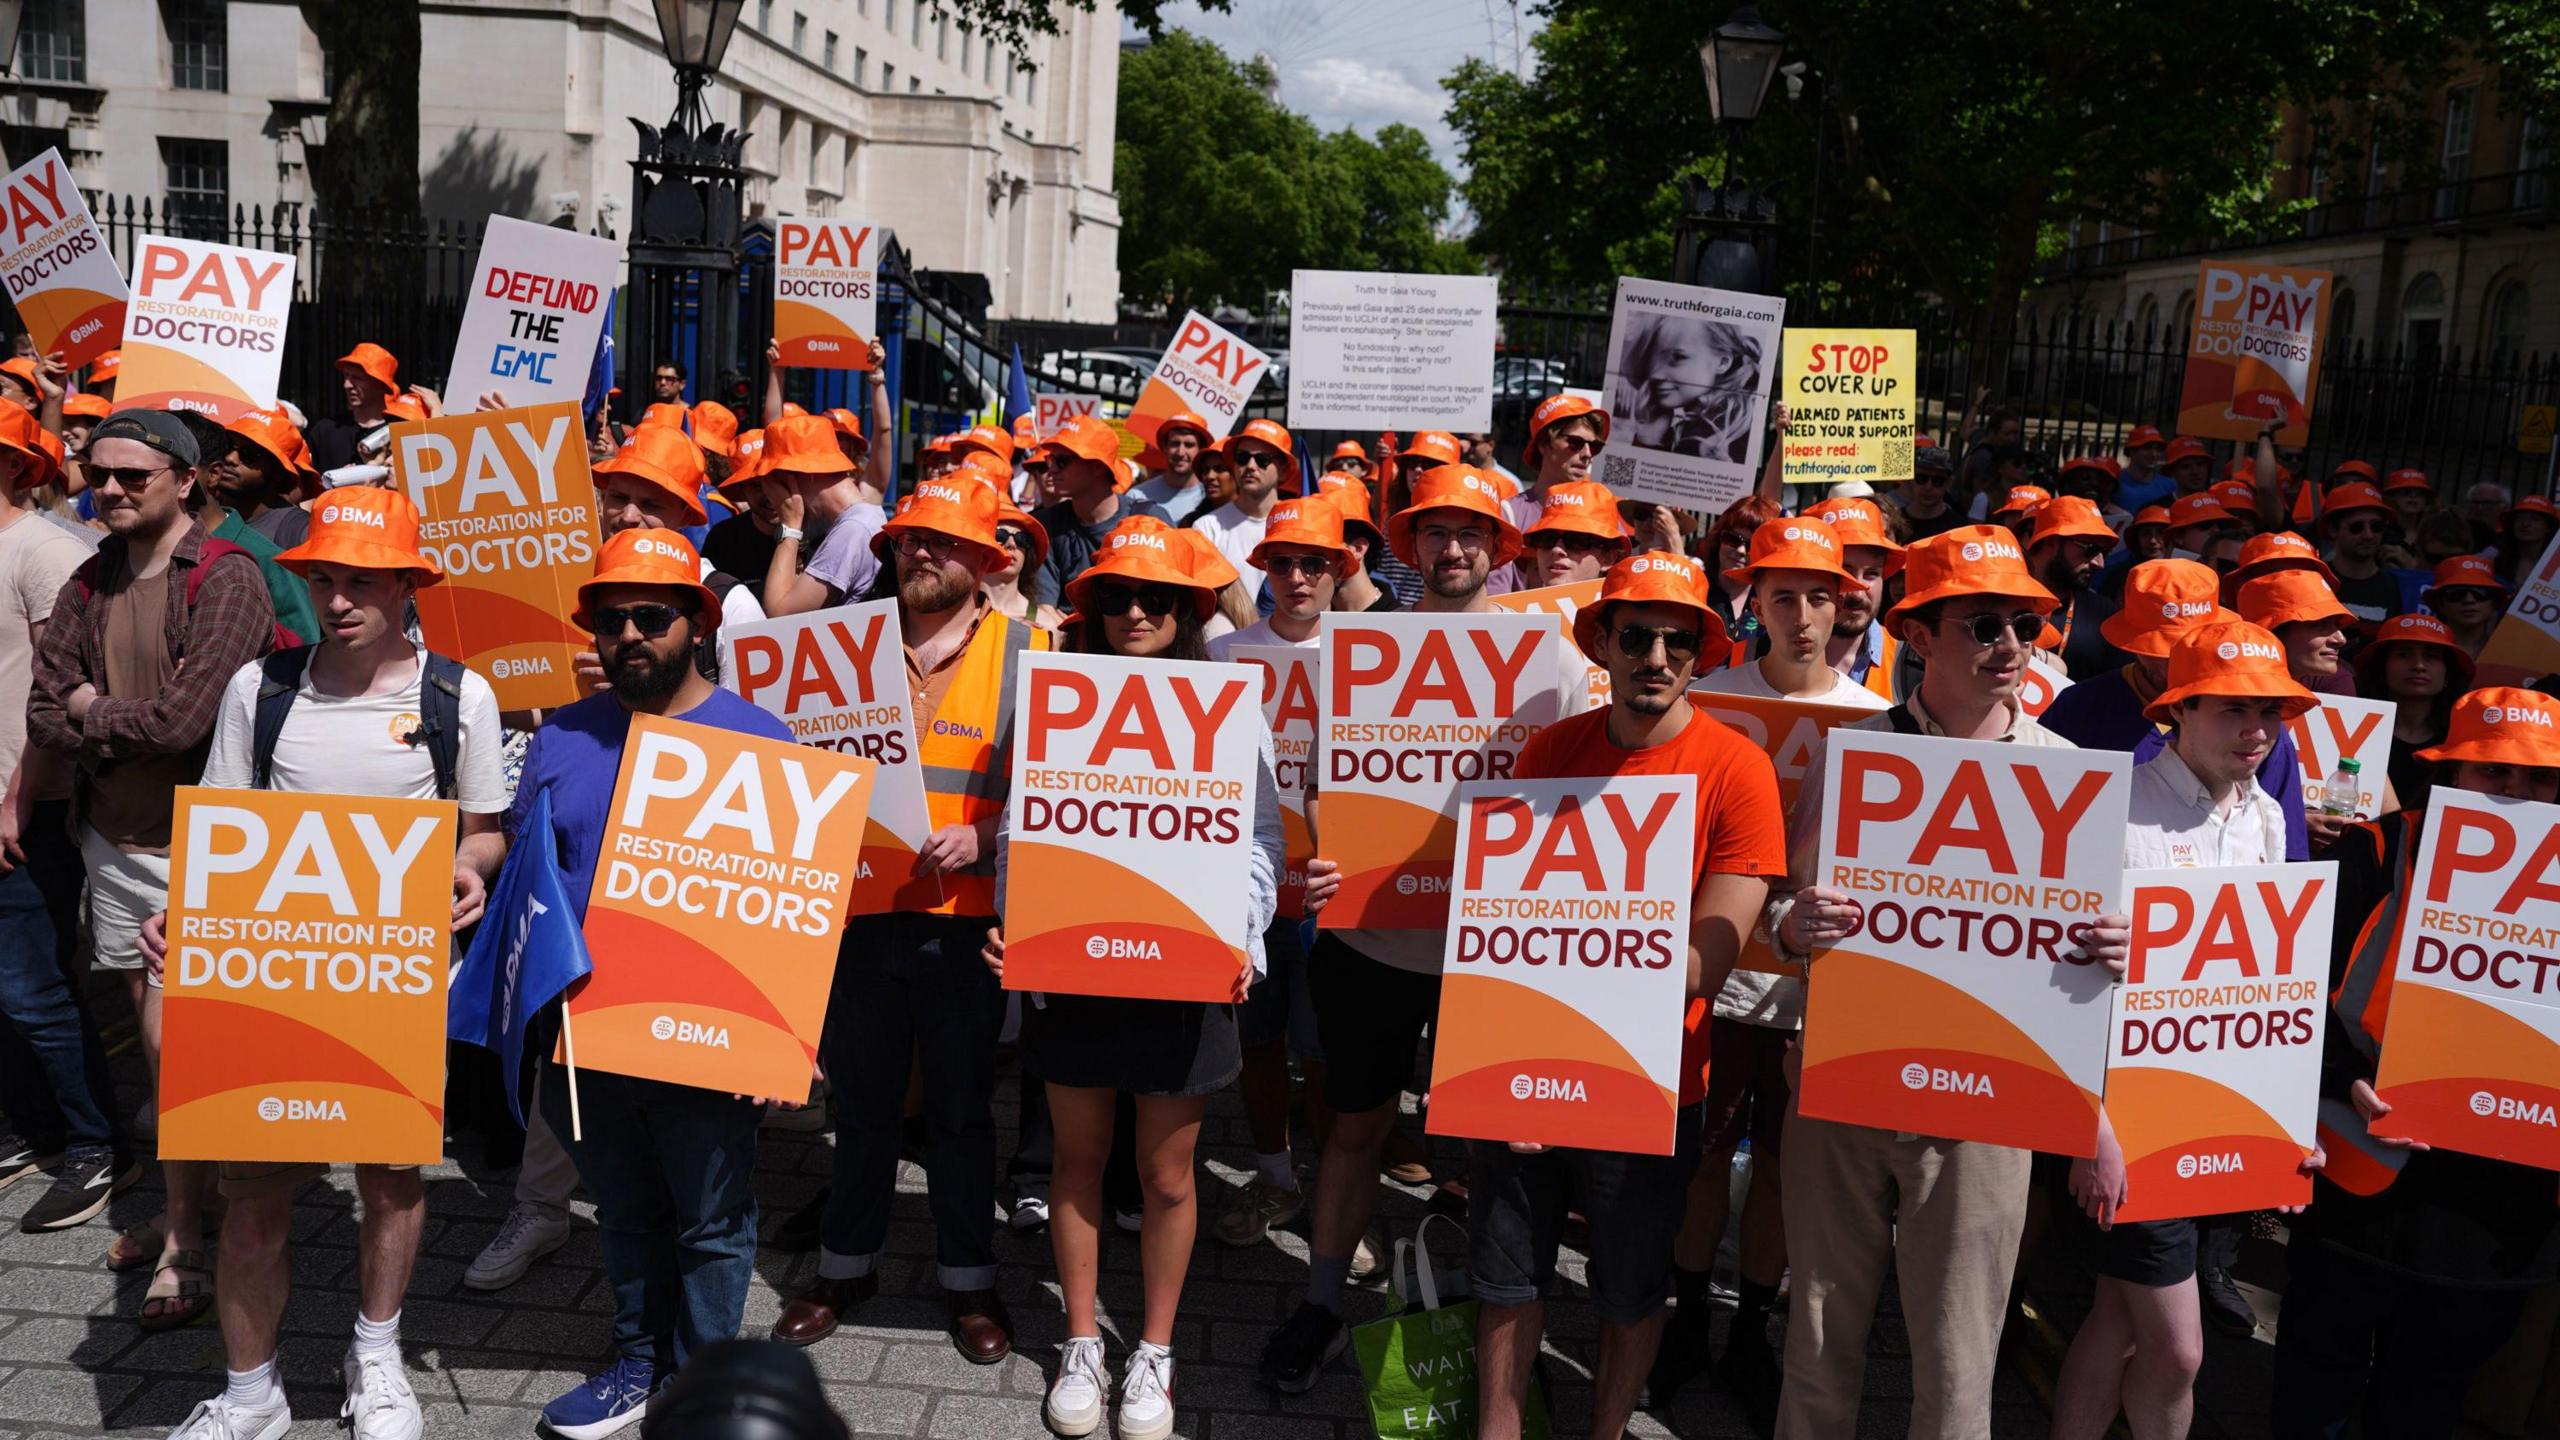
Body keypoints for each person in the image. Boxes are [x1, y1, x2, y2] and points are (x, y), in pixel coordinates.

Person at [141, 487, 507, 1440]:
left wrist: (468, 871)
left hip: (393, 976)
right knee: (255, 1188)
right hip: (272, 978)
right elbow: (225, 835)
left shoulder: (455, 694)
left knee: (391, 1175)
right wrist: (182, 918)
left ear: (406, 587)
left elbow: (484, 831)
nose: (339, 599)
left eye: (361, 581)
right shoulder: (259, 689)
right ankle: (250, 1390)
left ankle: (376, 1355)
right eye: (323, 579)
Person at [1765, 525, 2133, 1439]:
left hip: (1989, 1109)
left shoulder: (2065, 776)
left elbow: (2094, 961)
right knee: (1817, 1340)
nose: (2011, 644)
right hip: (1845, 1085)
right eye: (1984, 624)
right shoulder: (1858, 755)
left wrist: (2120, 951)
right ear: (1920, 637)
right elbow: (1785, 902)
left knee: (1961, 1363)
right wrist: (1792, 925)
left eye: (2025, 623)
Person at [1470, 550, 1783, 1440]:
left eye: (1678, 642)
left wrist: (1563, 943)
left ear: (1699, 654)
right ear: (1601, 643)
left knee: (1630, 1287)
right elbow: (1503, 928)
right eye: (1636, 636)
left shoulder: (1737, 770)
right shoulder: (1548, 751)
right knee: (1504, 1278)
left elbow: (1700, 966)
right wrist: (1511, 1066)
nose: (1656, 657)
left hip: (1650, 1080)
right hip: (1529, 1060)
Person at [1258, 466, 1552, 1392]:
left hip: (1489, 951)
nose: (1453, 549)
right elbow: (1315, 786)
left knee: (1500, 1149)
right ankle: (1319, 1301)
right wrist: (1323, 850)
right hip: (1373, 938)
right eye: (1435, 533)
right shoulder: (1356, 647)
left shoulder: (1546, 659)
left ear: (1499, 548)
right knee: (1354, 1128)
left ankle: (1494, 1330)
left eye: (1471, 533)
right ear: (1409, 547)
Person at [993, 515, 1282, 1440]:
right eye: (1114, 596)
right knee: (1077, 1163)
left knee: (1165, 1176)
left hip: (1187, 974)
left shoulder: (1231, 706)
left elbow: (1261, 843)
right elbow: (1018, 829)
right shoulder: (1055, 700)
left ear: (1189, 610)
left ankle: (1152, 1350)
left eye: (1156, 597)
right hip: (1077, 967)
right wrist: (1018, 923)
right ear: (1090, 610)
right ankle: (1082, 1339)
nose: (1134, 612)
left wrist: (1240, 934)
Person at [512, 529, 789, 1439]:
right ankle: (639, 1361)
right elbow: (530, 873)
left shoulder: (763, 740)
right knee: (626, 1211)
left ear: (697, 625)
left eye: (651, 617)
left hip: (709, 1036)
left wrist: (778, 1036)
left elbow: (796, 909)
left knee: (710, 1223)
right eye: (610, 618)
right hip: (587, 1031)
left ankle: (706, 1384)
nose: (628, 633)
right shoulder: (559, 734)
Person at [770, 480, 1047, 1362]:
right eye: (907, 542)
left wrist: (988, 834)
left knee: (962, 1109)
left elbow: (1067, 794)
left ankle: (969, 1279)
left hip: (967, 922)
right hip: (859, 912)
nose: (921, 554)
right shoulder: (839, 648)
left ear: (986, 560)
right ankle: (845, 1266)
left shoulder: (1033, 652)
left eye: (945, 543)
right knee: (862, 1102)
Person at [27, 409, 279, 1327]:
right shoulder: (91, 579)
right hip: (117, 840)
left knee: (188, 1051)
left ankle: (189, 1237)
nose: (113, 490)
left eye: (134, 476)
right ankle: (193, 1205)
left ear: (186, 479)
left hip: (212, 851)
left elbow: (187, 722)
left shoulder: (228, 579)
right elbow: (45, 709)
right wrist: (101, 717)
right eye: (101, 474)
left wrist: (93, 716)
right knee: (163, 1045)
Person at [2050, 618, 2314, 1440]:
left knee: (2117, 1321)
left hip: (2215, 1112)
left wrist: (2277, 1129)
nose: (2258, 730)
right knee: (2182, 1351)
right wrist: (2087, 1129)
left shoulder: (2266, 816)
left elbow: (2268, 991)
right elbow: (2054, 987)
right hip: (2127, 1122)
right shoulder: (2108, 810)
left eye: (2270, 712)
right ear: (2178, 712)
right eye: (2234, 710)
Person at [2279, 688, 2560, 1437]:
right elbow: (2295, 985)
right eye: (2494, 775)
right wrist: (2342, 1078)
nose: (2517, 794)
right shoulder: (2376, 849)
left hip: (2503, 1207)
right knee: (2318, 1373)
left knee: (2429, 1394)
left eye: (2539, 779)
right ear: (2451, 773)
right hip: (2362, 1169)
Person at [1204, 496, 1348, 1248]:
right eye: (1284, 562)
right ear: (1261, 569)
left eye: (1315, 563)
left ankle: (1330, 1196)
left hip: (1335, 892)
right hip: (1251, 886)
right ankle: (1274, 1176)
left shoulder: (1376, 657)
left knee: (1324, 1053)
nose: (1298, 576)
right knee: (1258, 1042)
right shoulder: (1224, 657)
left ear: (1340, 571)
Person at [0, 401, 124, 1235]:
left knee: (32, 985)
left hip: (25, 807)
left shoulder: (44, 549)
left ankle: (95, 1143)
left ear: (14, 464)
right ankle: (33, 1129)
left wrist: (16, 796)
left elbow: (58, 692)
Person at [758, 350, 894, 617]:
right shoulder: (857, 520)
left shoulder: (852, 532)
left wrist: (790, 526)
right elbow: (776, 432)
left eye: (779, 480)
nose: (776, 494)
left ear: (803, 474)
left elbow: (778, 614)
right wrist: (777, 372)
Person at [1029, 415, 1169, 608]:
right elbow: (1044, 609)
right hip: (1066, 634)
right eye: (1049, 459)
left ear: (1096, 466)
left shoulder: (1149, 519)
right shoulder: (1046, 524)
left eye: (1061, 461)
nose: (1051, 470)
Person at [2358, 611, 2466, 816]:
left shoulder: (2463, 741)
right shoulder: (2351, 727)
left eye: (2431, 656)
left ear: (2448, 673)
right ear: (2382, 667)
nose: (2418, 665)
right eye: (2404, 654)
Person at [1803, 496, 1905, 701]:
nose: (1858, 593)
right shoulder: (1755, 653)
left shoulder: (1911, 665)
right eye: (1845, 572)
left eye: (1871, 574)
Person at [1191, 418, 1293, 601]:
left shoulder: (1298, 523)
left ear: (1283, 470)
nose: (1250, 467)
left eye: (1262, 460)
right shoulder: (1206, 528)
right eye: (1243, 458)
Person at [2024, 496, 2122, 679]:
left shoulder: (2105, 615)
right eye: (2091, 549)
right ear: (2051, 541)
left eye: (2105, 552)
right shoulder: (1999, 600)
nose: (2099, 563)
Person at [210, 409, 317, 550]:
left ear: (278, 472)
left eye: (249, 454)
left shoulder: (299, 531)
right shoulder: (196, 514)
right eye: (227, 447)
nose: (230, 458)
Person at [2319, 481, 2409, 623]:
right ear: (2332, 530)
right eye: (2356, 527)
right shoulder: (2315, 582)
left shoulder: (2398, 588)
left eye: (2376, 526)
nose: (2368, 535)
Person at [1514, 479, 1629, 590]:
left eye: (1576, 541)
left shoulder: (1624, 610)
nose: (1557, 549)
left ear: (1608, 558)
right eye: (1546, 539)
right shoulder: (1507, 609)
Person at [1311, 477, 1402, 614]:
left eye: (1325, 547)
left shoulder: (1401, 624)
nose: (1308, 564)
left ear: (1358, 548)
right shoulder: (1307, 624)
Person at [306, 344, 400, 474]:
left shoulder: (400, 435)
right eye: (346, 376)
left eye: (357, 378)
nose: (347, 385)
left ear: (381, 384)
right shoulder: (324, 431)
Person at [1703, 496, 1782, 648]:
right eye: (1732, 540)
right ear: (1719, 539)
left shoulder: (1774, 601)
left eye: (1752, 546)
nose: (1740, 551)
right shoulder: (1696, 588)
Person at [984, 499, 1060, 629]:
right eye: (999, 536)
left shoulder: (1046, 625)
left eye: (1022, 539)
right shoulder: (954, 615)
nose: (1012, 544)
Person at [1130, 410, 1215, 523]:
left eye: (1189, 445)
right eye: (1175, 444)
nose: (1180, 452)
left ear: (1201, 450)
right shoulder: (1136, 496)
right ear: (1164, 448)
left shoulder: (1212, 496)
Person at [2418, 553, 2503, 658]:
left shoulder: (2513, 649)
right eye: (2456, 593)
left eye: (2480, 592)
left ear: (2493, 603)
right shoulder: (2422, 652)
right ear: (2440, 604)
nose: (2469, 600)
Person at [1895, 440, 1968, 543]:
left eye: (1937, 481)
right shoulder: (1894, 524)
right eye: (1921, 478)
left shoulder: (1959, 530)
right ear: (1911, 479)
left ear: (1948, 483)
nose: (1928, 487)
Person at [2113, 425, 2172, 511]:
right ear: (2131, 450)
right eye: (2147, 448)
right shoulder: (2115, 482)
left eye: (2158, 449)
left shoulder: (2169, 485)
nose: (2154, 454)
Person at [2384, 468, 2436, 551]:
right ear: (2393, 496)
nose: (2413, 496)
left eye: (2419, 492)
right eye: (2405, 491)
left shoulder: (2434, 535)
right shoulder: (2379, 533)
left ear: (2426, 499)